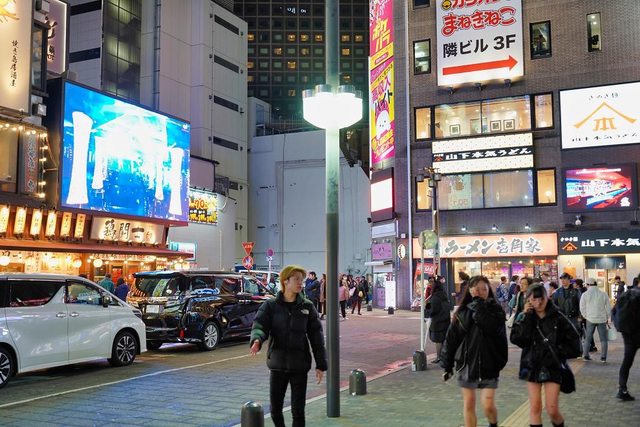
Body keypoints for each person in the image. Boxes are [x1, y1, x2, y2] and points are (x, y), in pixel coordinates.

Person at [250, 265, 327, 427]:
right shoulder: (270, 306)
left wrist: (321, 364)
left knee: (298, 411)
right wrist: (257, 339)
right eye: (296, 279)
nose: (300, 283)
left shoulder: (307, 307)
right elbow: (260, 325)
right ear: (285, 281)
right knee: (275, 410)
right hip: (277, 365)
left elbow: (316, 337)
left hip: (300, 365)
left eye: (302, 280)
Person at [440, 275, 508, 427]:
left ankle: (493, 424)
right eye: (476, 289)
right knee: (469, 402)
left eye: (484, 289)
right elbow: (451, 339)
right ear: (469, 290)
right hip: (466, 364)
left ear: (489, 291)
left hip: (489, 364)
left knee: (488, 404)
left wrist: (479, 307)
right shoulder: (462, 312)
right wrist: (447, 365)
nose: (480, 292)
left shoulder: (496, 311)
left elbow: (494, 331)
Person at [510, 284, 581, 427]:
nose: (538, 303)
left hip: (553, 366)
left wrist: (558, 351)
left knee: (552, 409)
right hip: (532, 365)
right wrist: (526, 317)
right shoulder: (525, 317)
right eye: (533, 299)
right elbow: (517, 339)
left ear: (547, 297)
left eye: (541, 299)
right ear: (528, 300)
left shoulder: (558, 317)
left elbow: (575, 343)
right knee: (535, 407)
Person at [612, 276, 640, 401]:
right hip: (637, 331)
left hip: (628, 333)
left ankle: (622, 389)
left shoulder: (626, 294)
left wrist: (622, 328)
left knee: (627, 361)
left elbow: (614, 312)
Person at [579, 277, 611, 363]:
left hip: (590, 319)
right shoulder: (603, 294)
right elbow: (608, 307)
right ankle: (603, 358)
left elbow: (582, 307)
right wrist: (607, 317)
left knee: (588, 338)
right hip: (602, 319)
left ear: (588, 285)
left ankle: (586, 355)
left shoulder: (585, 294)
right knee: (603, 339)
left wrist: (586, 316)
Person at [425, 280, 452, 364]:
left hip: (437, 321)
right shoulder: (444, 295)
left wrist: (427, 306)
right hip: (445, 320)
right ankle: (444, 356)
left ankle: (438, 357)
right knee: (443, 339)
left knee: (438, 340)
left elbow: (432, 310)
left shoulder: (435, 297)